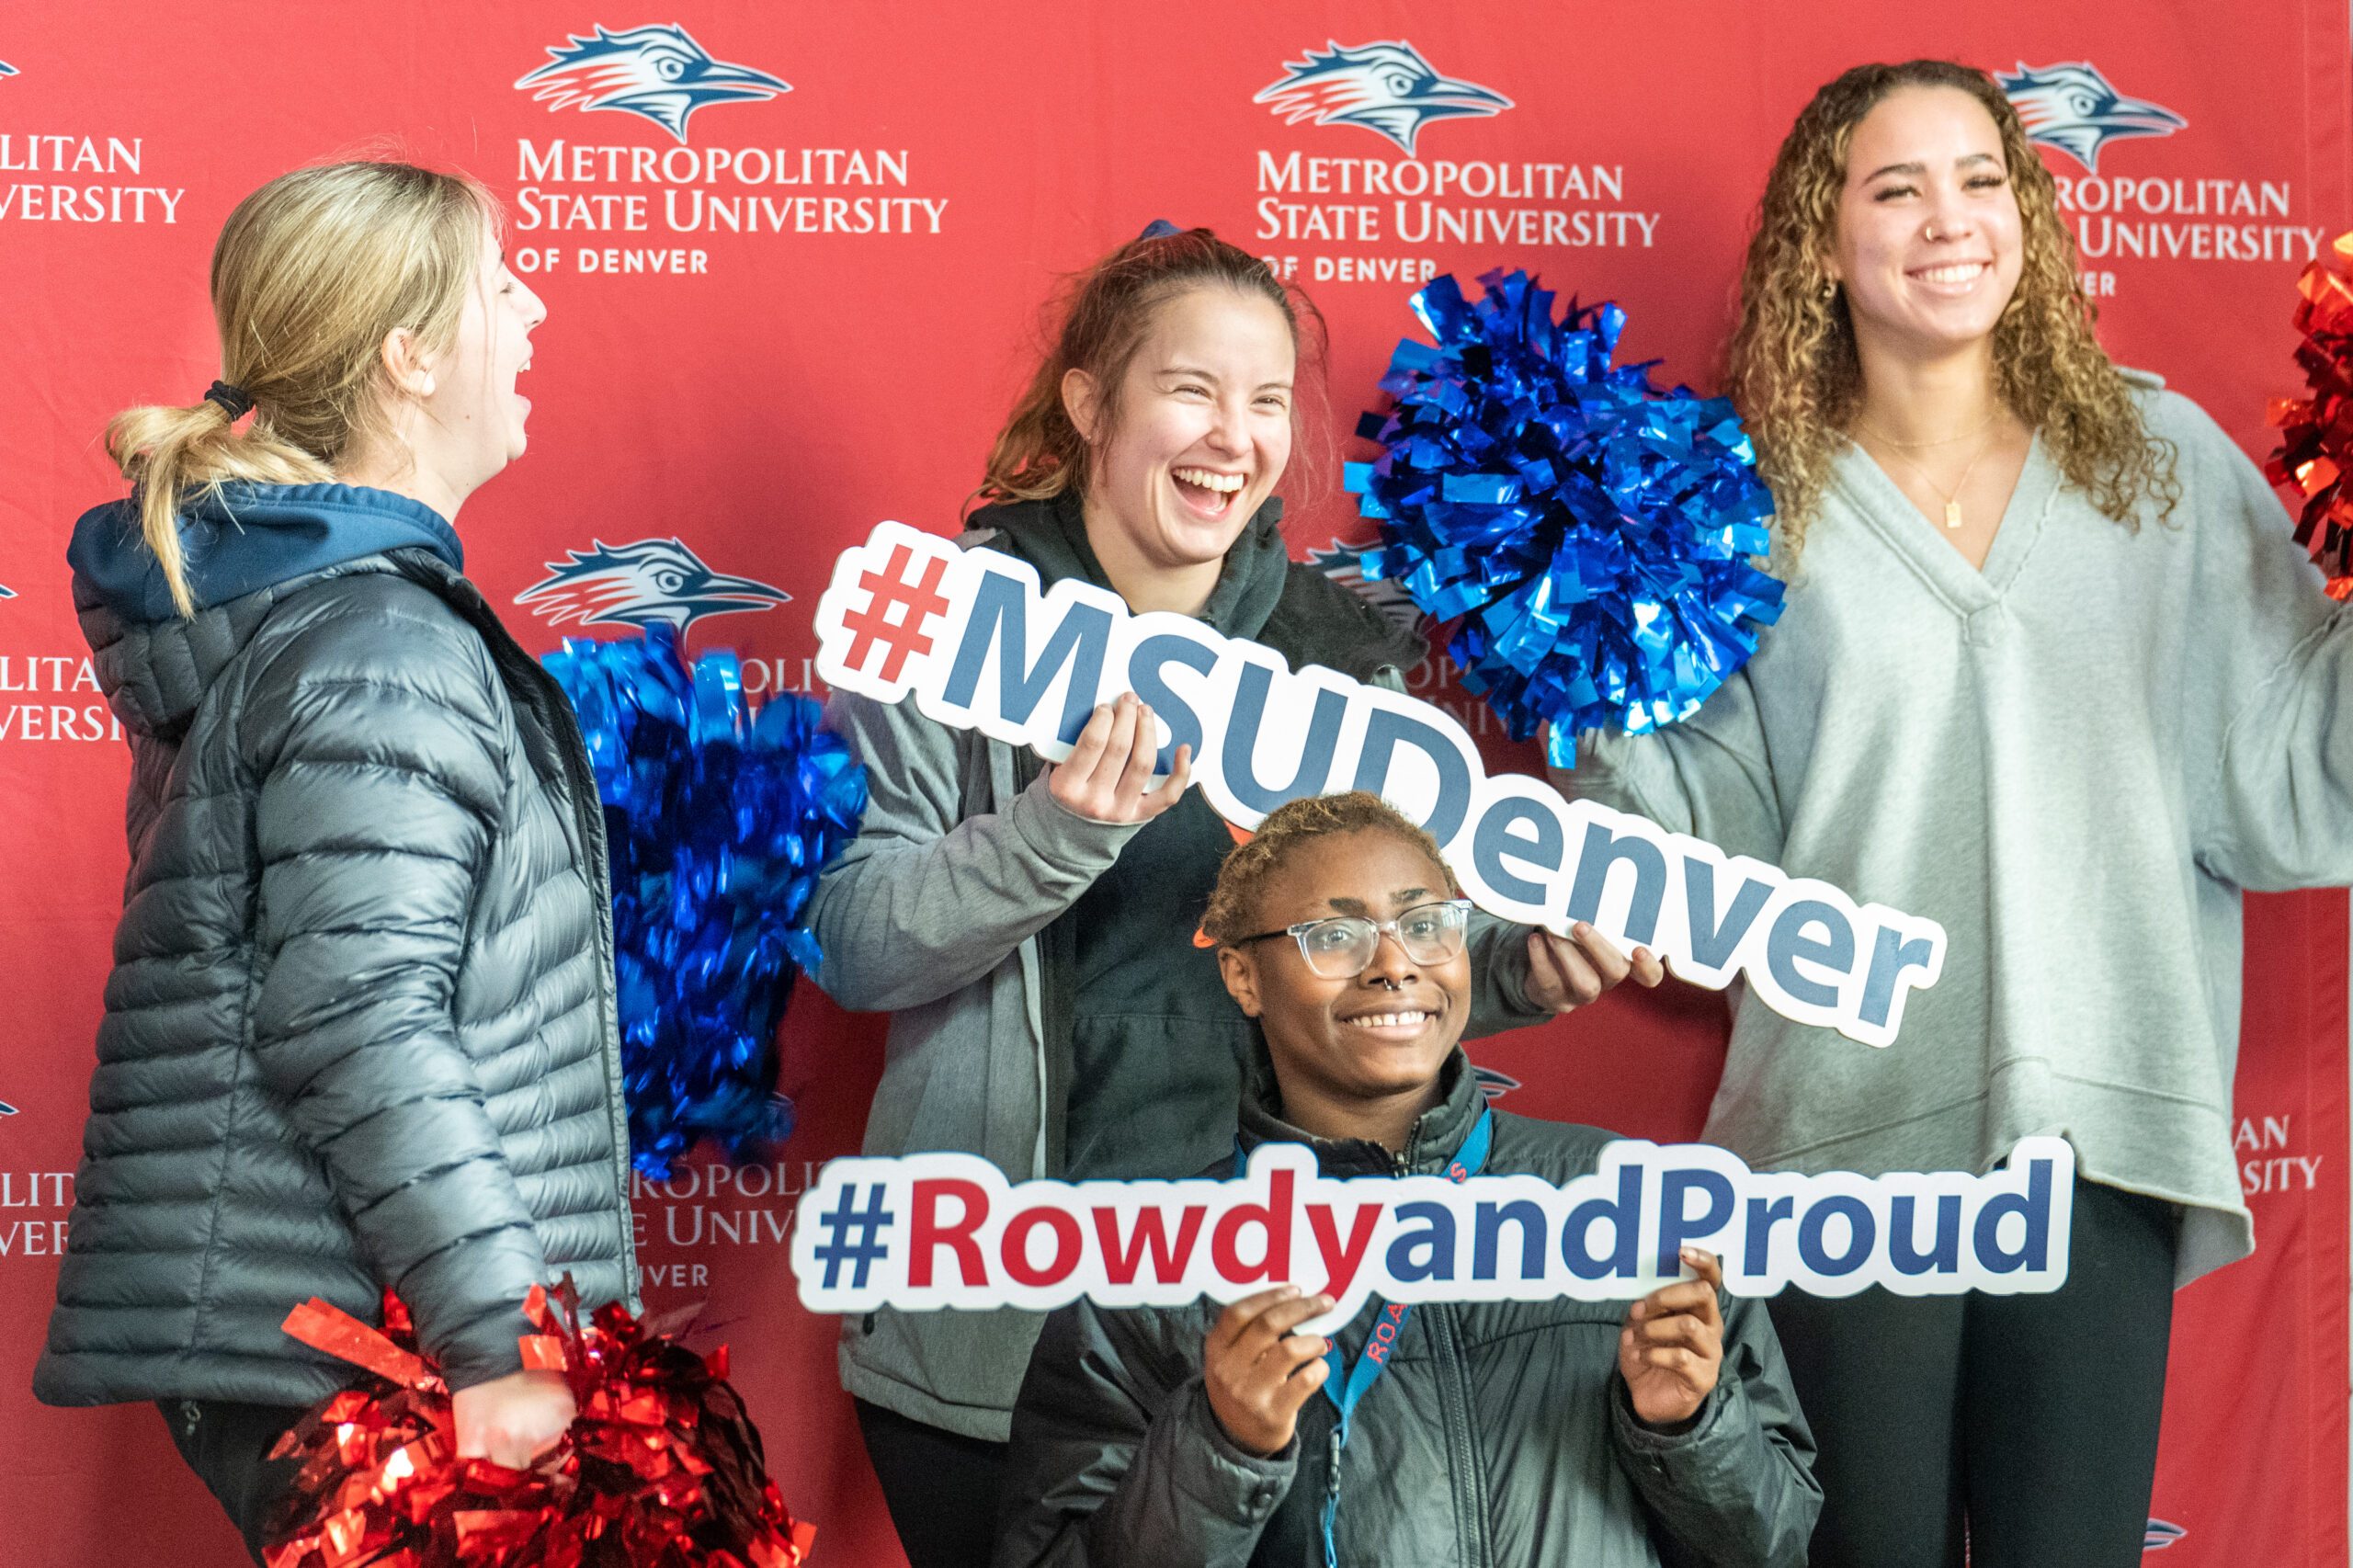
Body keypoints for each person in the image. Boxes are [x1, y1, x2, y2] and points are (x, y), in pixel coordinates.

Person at [1553, 59, 2353, 1567]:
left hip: (2098, 1139)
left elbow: (2296, 767)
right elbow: (1670, 822)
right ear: (1823, 234)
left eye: (1983, 178)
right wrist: (1602, 814)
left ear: (2029, 217)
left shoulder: (2160, 464)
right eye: (1898, 186)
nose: (1951, 220)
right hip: (1842, 1149)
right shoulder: (1731, 502)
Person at [809, 222, 1664, 1566]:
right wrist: (1056, 827)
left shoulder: (1335, 659)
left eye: (1266, 401)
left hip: (1273, 1307)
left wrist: (1505, 970)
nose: (1234, 436)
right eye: (1192, 390)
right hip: (998, 1317)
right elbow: (854, 939)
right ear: (1092, 404)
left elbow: (1369, 971)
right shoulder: (949, 629)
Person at [34, 161, 635, 1562]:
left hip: (346, 1333)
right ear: (407, 356)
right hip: (372, 1351)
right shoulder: (379, 645)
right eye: (500, 285)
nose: (534, 309)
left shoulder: (333, 622)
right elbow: (358, 1017)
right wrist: (504, 1341)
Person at [993, 790, 1818, 1567]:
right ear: (1244, 976)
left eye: (1427, 924)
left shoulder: (1630, 1205)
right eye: (1335, 936)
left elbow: (1779, 1539)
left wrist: (1690, 1429)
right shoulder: (1147, 1271)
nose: (1395, 964)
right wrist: (1220, 1445)